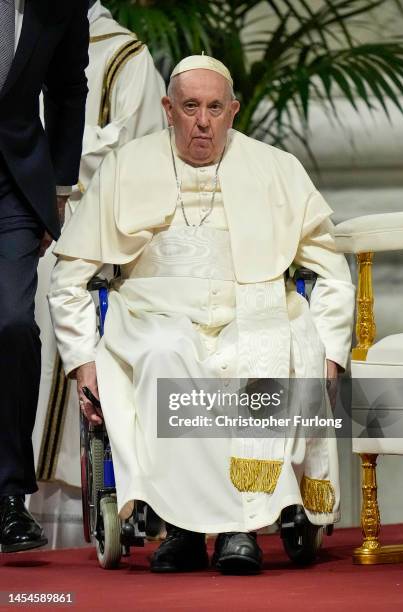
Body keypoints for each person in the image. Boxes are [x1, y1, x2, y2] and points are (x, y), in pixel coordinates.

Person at [49, 55, 355, 573]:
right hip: (152, 314)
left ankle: (240, 528)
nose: (203, 121)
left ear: (234, 110)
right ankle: (184, 530)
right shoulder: (125, 167)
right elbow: (69, 277)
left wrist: (329, 351)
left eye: (216, 107)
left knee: (260, 355)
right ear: (168, 109)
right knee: (168, 355)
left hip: (253, 311)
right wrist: (83, 362)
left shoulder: (277, 169)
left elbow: (333, 273)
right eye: (191, 107)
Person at [32, 0, 166, 511]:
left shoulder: (124, 58)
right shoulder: (16, 41)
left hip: (85, 233)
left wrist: (40, 176)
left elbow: (135, 155)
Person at [0, 0, 88, 553]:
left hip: (12, 181)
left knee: (11, 322)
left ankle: (9, 497)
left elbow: (66, 87)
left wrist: (57, 186)